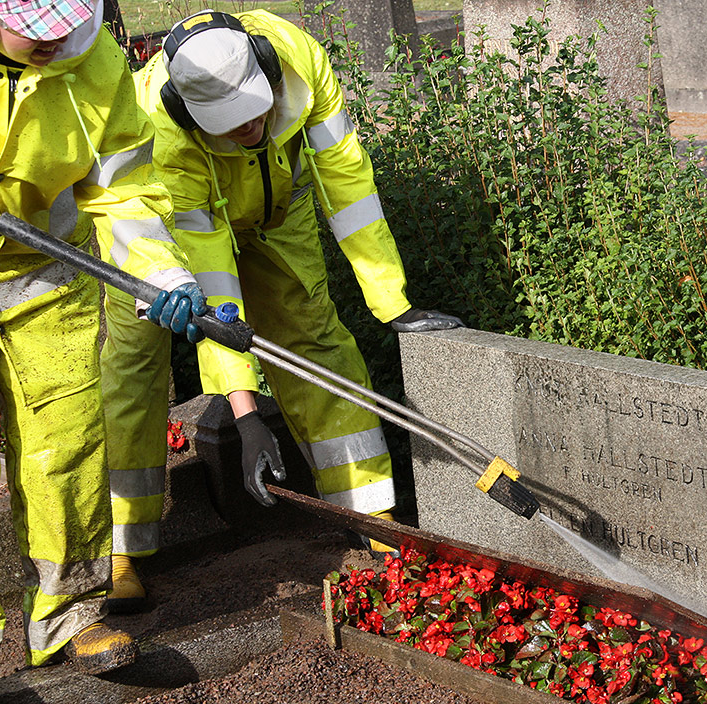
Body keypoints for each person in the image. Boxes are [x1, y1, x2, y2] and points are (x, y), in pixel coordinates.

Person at [0, 0, 206, 701]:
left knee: (71, 448)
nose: (61, 41)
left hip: (43, 283)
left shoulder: (94, 59)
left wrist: (164, 273)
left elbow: (124, 190)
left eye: (69, 21)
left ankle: (73, 614)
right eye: (39, 29)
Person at [99, 9, 463, 612]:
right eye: (230, 126)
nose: (248, 130)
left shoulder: (300, 59)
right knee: (136, 374)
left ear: (268, 73)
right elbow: (215, 280)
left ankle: (372, 516)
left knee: (316, 336)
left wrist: (391, 302)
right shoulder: (162, 129)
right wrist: (245, 414)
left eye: (256, 116)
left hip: (276, 211)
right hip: (160, 236)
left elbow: (347, 183)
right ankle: (122, 552)